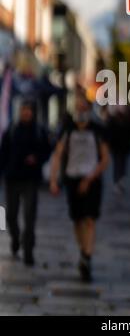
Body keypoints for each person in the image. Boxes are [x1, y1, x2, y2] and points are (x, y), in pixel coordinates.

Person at [50, 93, 109, 282]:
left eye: (84, 107)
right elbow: (58, 155)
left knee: (90, 219)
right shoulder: (67, 129)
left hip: (92, 180)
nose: (81, 111)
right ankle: (83, 252)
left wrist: (90, 178)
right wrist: (53, 179)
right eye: (78, 107)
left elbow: (105, 159)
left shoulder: (97, 130)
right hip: (72, 179)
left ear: (89, 109)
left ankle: (87, 256)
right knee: (77, 220)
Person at [0, 100, 51, 266]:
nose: (26, 113)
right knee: (10, 216)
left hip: (30, 180)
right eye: (24, 110)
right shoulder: (12, 130)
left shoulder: (39, 131)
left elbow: (47, 150)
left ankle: (28, 250)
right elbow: (3, 153)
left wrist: (37, 158)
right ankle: (15, 238)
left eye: (29, 110)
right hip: (12, 179)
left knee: (30, 217)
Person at [107, 105, 130, 195]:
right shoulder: (114, 121)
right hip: (117, 147)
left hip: (123, 147)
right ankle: (118, 182)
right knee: (118, 164)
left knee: (121, 164)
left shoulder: (127, 120)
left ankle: (120, 181)